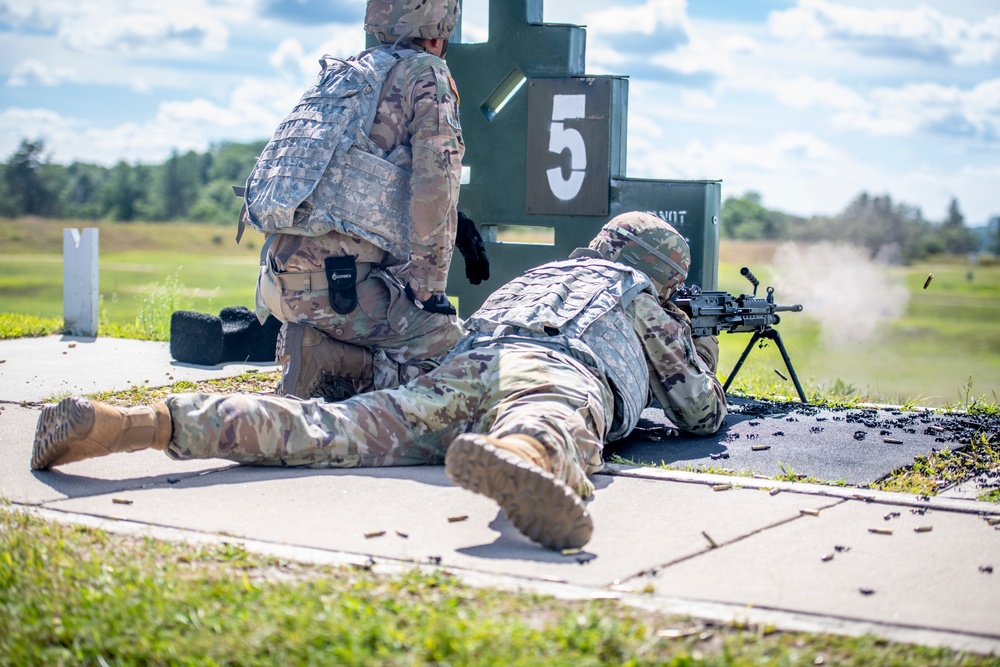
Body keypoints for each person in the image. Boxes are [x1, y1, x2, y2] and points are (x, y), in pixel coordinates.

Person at [31, 212, 726, 551]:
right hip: (552, 366)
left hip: (463, 365)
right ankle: (523, 458)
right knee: (549, 416)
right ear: (663, 272)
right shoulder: (635, 291)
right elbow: (697, 412)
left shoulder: (542, 276)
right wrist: (699, 344)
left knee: (328, 427)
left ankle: (135, 423)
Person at [242, 0, 489, 401]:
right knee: (462, 362)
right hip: (337, 292)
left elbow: (356, 184)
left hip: (277, 284)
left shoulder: (352, 72)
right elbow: (436, 180)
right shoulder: (427, 73)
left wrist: (455, 225)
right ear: (440, 27)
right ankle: (328, 361)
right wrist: (429, 294)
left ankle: (318, 345)